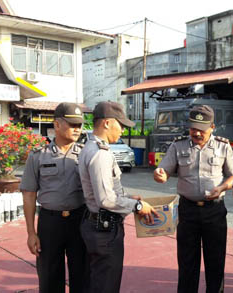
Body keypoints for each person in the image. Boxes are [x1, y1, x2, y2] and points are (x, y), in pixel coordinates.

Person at [153, 105, 233, 293]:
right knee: (187, 261)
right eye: (193, 128)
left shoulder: (223, 146)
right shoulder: (178, 145)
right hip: (188, 210)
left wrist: (223, 187)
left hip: (214, 210)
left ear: (212, 127)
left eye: (201, 129)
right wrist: (160, 175)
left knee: (215, 261)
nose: (197, 133)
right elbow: (164, 171)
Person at [78, 101, 158, 293]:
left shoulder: (89, 148)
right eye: (120, 125)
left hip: (98, 225)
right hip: (105, 230)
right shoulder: (100, 153)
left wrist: (129, 198)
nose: (122, 130)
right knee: (106, 285)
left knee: (98, 281)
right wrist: (137, 206)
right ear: (106, 123)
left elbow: (104, 192)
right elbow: (106, 200)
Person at [21, 102, 87, 293]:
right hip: (50, 223)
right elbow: (29, 195)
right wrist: (31, 233)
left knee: (82, 276)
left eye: (79, 125)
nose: (77, 129)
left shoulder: (86, 154)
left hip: (80, 221)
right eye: (72, 124)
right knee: (49, 277)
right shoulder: (38, 156)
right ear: (57, 125)